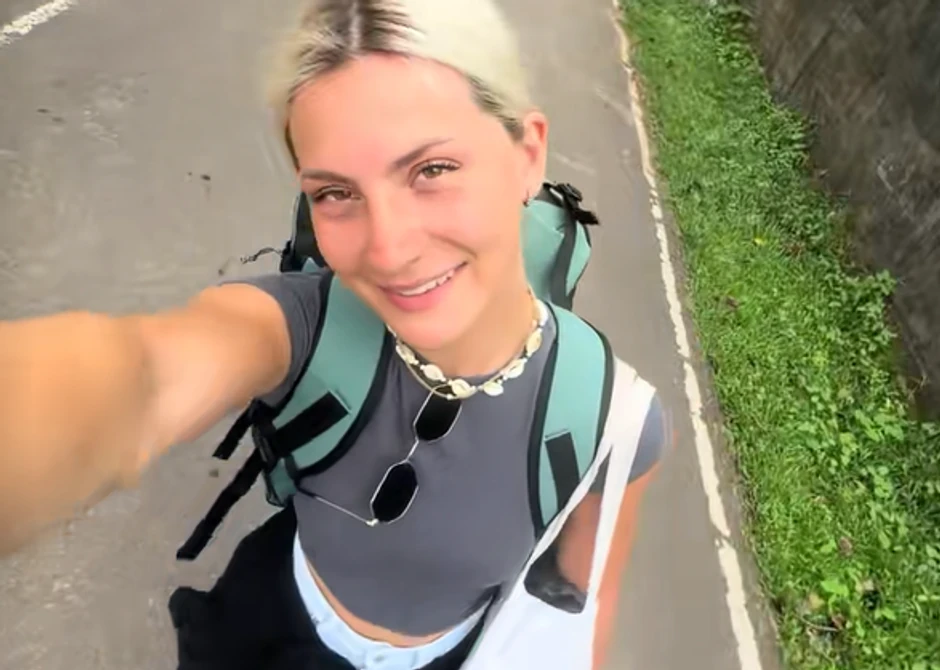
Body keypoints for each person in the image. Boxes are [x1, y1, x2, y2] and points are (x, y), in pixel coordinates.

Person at [0, 0, 669, 668]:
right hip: (269, 629)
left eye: (433, 170)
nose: (389, 250)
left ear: (528, 153)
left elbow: (578, 605)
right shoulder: (301, 326)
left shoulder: (613, 420)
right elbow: (146, 377)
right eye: (335, 194)